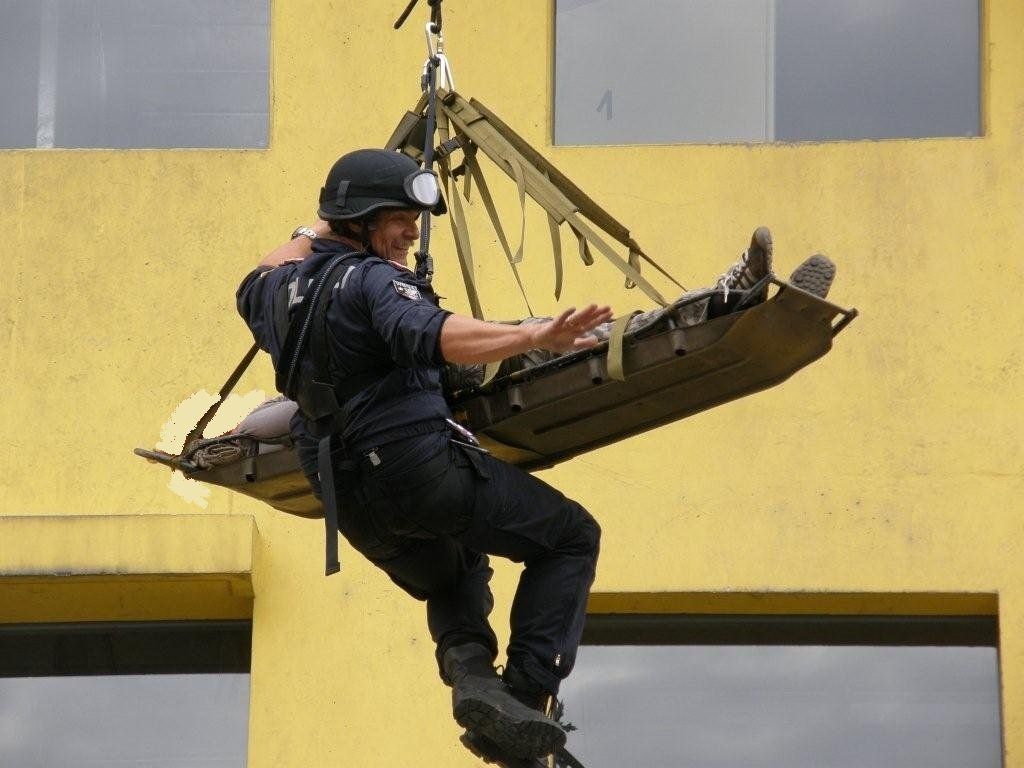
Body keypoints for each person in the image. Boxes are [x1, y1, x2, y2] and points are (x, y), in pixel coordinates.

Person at [237, 148, 612, 765]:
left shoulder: (274, 293)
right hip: (417, 471)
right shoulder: (376, 281)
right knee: (571, 536)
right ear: (358, 218)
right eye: (399, 216)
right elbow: (435, 335)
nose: (413, 231)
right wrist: (532, 336)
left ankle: (475, 683)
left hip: (349, 504)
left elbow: (267, 263)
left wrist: (319, 227)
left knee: (454, 575)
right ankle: (523, 698)